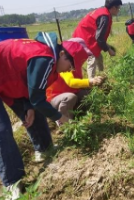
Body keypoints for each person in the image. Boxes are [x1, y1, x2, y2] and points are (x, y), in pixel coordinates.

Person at [0, 31, 86, 199]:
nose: (70, 69)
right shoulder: (44, 58)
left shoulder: (51, 63)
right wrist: (61, 118)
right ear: (62, 54)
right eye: (71, 65)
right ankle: (12, 183)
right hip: (5, 76)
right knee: (2, 131)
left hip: (8, 78)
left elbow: (33, 92)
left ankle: (44, 149)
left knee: (35, 111)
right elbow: (39, 99)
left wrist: (29, 107)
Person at [46, 37, 105, 126]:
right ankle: (64, 122)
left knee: (87, 94)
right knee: (70, 97)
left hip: (68, 95)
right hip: (55, 99)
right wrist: (90, 82)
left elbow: (78, 83)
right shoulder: (64, 65)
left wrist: (95, 84)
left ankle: (80, 113)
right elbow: (71, 82)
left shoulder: (73, 65)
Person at [72, 0, 123, 78]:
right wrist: (109, 50)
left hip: (86, 37)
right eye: (118, 8)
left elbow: (99, 37)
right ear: (113, 8)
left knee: (99, 57)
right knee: (92, 59)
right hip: (85, 38)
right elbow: (99, 37)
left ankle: (102, 77)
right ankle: (92, 83)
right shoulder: (105, 17)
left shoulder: (103, 12)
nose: (119, 10)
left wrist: (107, 46)